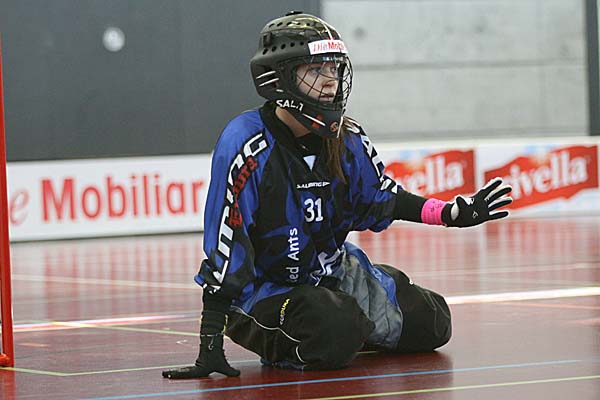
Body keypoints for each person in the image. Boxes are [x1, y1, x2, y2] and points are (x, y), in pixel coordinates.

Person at [162, 11, 512, 379]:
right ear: (280, 77)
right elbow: (227, 241)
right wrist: (210, 343)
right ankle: (340, 321)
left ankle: (352, 313)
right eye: (316, 70)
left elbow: (382, 197)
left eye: (334, 68)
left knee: (433, 321)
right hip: (263, 291)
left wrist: (451, 213)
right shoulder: (246, 143)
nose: (330, 81)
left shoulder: (348, 138)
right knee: (335, 330)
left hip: (331, 272)